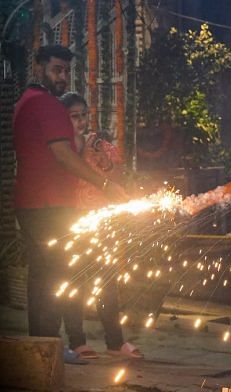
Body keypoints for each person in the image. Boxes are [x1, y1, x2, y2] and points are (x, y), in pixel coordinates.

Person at [12, 45, 128, 363]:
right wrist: (104, 183)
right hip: (49, 205)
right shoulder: (47, 104)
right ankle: (49, 345)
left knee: (41, 277)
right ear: (38, 68)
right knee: (52, 278)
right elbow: (62, 153)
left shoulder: (24, 102)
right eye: (56, 70)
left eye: (65, 71)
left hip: (32, 202)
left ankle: (43, 346)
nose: (62, 77)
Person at [59, 92, 143, 359]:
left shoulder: (100, 142)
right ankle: (76, 340)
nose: (81, 121)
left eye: (84, 115)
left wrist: (105, 161)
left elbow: (120, 175)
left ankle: (115, 342)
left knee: (106, 280)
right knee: (75, 282)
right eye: (74, 116)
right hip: (70, 220)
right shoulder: (61, 145)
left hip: (101, 220)